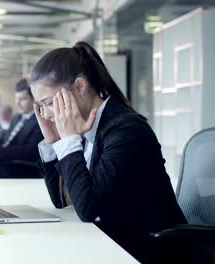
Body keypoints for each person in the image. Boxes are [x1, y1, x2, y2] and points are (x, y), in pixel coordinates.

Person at [29, 41, 187, 263]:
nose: (45, 114)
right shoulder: (88, 127)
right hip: (114, 243)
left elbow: (88, 209)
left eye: (48, 103)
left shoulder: (125, 130)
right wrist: (53, 141)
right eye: (40, 106)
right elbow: (62, 200)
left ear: (80, 87)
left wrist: (68, 140)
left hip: (147, 250)